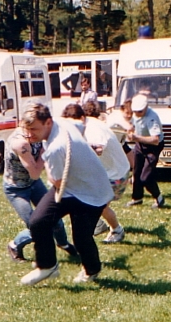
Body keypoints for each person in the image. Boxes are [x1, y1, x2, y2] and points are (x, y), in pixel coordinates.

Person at [19, 103, 113, 286]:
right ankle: (47, 266)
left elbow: (57, 182)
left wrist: (81, 155)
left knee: (81, 237)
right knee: (38, 221)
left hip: (91, 192)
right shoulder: (62, 122)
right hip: (70, 187)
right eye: (27, 129)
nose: (30, 134)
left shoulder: (55, 148)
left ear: (48, 122)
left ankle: (92, 270)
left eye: (34, 129)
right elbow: (80, 125)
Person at [3, 125, 75, 262]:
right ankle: (14, 245)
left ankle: (63, 243)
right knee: (37, 226)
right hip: (16, 189)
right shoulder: (20, 143)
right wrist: (45, 152)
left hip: (34, 185)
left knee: (54, 215)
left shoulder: (40, 134)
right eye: (30, 128)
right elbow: (35, 173)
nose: (34, 134)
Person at [80, 101, 130, 243]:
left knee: (98, 203)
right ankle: (99, 223)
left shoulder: (93, 127)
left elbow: (99, 150)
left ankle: (116, 230)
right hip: (110, 171)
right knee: (88, 199)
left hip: (115, 174)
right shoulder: (91, 124)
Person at [127, 94, 165, 208]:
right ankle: (137, 197)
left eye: (140, 111)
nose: (137, 113)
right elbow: (133, 124)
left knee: (146, 177)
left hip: (153, 147)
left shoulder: (152, 118)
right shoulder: (134, 114)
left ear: (146, 107)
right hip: (140, 144)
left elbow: (155, 140)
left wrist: (136, 138)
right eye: (135, 111)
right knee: (136, 171)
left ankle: (159, 198)